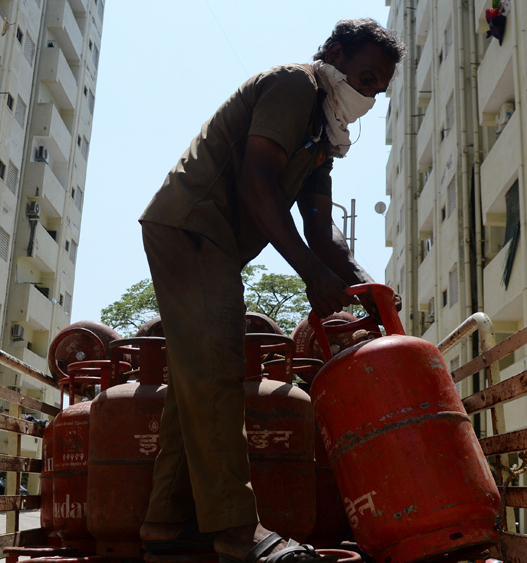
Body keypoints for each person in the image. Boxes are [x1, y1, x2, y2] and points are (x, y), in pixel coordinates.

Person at [138, 18, 404, 563]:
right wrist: (312, 276)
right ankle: (237, 531)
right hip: (191, 227)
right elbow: (257, 182)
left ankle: (164, 524)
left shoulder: (322, 137)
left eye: (378, 88)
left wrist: (365, 286)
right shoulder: (294, 86)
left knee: (196, 383)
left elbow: (320, 228)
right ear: (334, 54)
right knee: (216, 372)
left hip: (213, 242)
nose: (368, 95)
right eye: (365, 77)